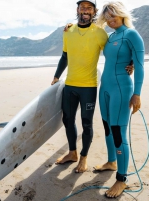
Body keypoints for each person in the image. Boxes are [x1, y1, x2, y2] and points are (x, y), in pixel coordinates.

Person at [51, 0, 134, 173]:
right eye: (83, 7)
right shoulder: (68, 31)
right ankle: (72, 153)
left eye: (89, 7)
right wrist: (56, 76)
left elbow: (117, 50)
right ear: (78, 9)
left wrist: (131, 62)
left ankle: (83, 158)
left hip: (89, 86)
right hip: (70, 85)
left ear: (94, 11)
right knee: (67, 120)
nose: (85, 10)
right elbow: (65, 56)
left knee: (86, 123)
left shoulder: (100, 33)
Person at [94, 1, 145, 198]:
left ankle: (121, 179)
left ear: (122, 15)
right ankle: (111, 161)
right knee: (107, 126)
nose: (110, 20)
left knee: (118, 131)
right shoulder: (110, 36)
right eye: (107, 18)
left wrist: (137, 94)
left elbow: (139, 66)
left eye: (113, 16)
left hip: (122, 89)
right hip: (105, 88)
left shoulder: (131, 34)